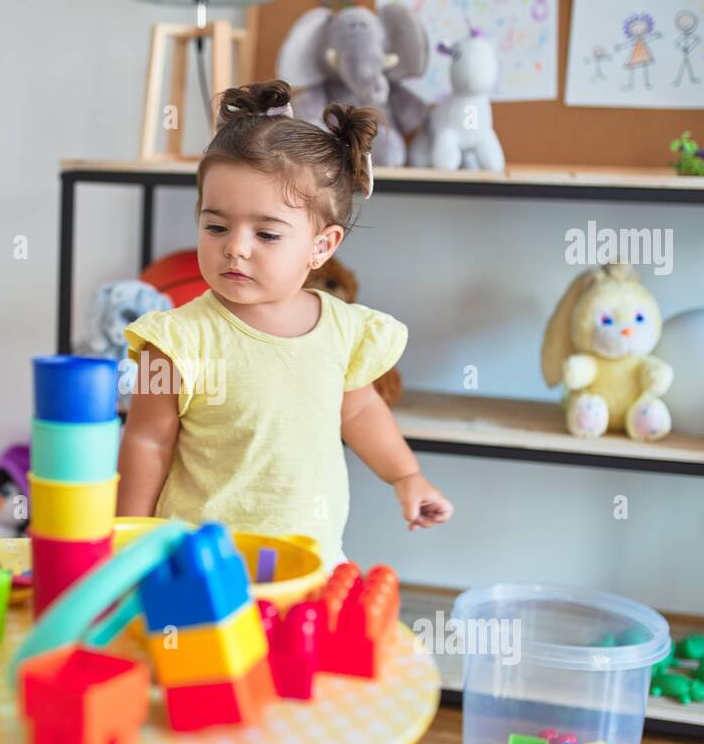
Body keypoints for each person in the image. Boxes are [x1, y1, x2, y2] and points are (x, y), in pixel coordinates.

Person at [116, 79, 453, 570]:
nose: (235, 246)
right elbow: (147, 441)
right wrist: (129, 543)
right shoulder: (174, 341)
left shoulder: (342, 329)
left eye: (267, 233)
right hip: (200, 567)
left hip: (309, 561)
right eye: (215, 226)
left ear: (323, 245)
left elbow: (359, 413)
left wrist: (406, 477)